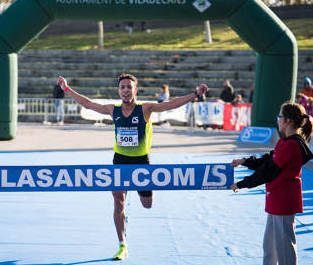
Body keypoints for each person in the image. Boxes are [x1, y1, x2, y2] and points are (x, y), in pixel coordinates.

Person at [56, 74, 208, 260]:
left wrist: (195, 94)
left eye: (129, 87)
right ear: (119, 91)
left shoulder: (145, 108)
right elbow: (88, 104)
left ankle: (138, 201)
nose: (126, 90)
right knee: (118, 201)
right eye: (122, 87)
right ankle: (122, 244)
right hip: (120, 161)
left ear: (135, 90)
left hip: (141, 162)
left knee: (147, 204)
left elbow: (171, 104)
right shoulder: (113, 110)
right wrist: (66, 88)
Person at [230, 102, 313, 265]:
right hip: (276, 199)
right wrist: (245, 161)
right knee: (269, 247)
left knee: (284, 248)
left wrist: (240, 184)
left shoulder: (292, 145)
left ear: (289, 120)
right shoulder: (285, 141)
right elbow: (268, 160)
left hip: (284, 201)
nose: (278, 119)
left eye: (280, 116)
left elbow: (267, 172)